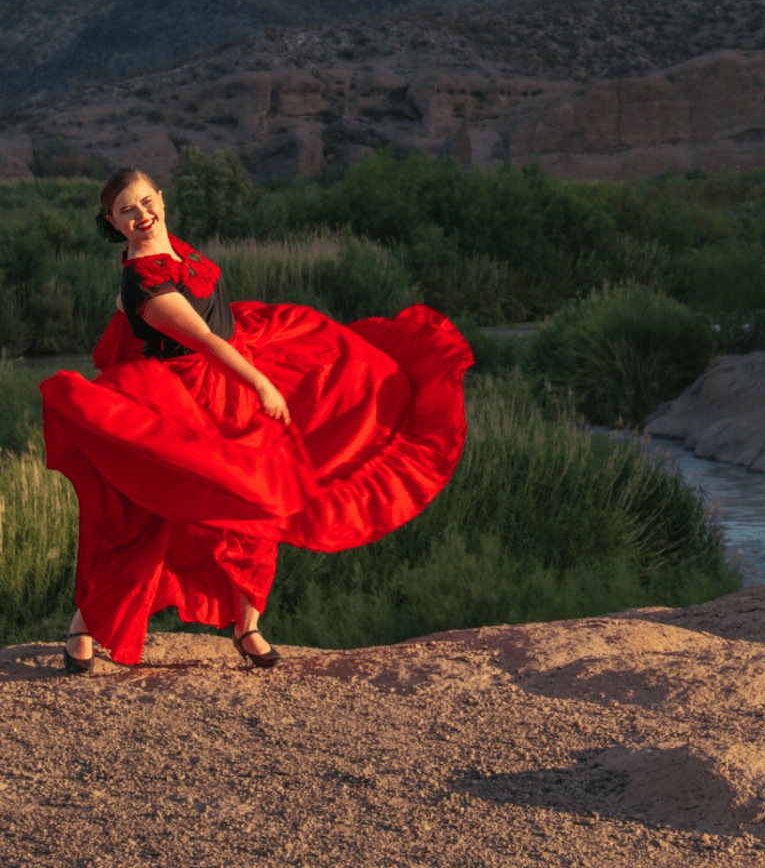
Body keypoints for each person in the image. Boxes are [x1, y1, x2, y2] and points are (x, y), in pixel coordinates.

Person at [40, 167, 473, 673]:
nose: (142, 215)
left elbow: (150, 307)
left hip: (234, 364)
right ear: (111, 222)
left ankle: (248, 627)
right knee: (157, 516)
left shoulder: (165, 248)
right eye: (126, 211)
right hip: (200, 392)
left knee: (329, 401)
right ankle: (84, 625)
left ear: (160, 197)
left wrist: (128, 310)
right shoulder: (143, 278)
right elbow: (204, 341)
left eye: (145, 202)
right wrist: (261, 384)